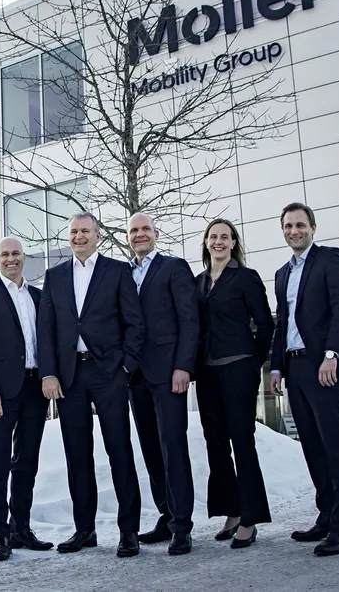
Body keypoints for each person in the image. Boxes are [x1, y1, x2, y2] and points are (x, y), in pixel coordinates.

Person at [38, 212, 145, 557]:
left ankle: (128, 530)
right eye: (74, 232)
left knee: (119, 450)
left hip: (109, 373)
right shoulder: (54, 276)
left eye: (85, 231)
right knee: (77, 455)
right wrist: (48, 373)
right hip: (69, 377)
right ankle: (85, 529)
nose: (79, 237)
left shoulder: (117, 271)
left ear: (97, 235)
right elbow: (46, 329)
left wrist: (125, 367)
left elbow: (134, 323)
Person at [268, 202, 339, 557]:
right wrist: (277, 367)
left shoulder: (331, 259)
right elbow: (282, 323)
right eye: (288, 226)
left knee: (333, 447)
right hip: (295, 369)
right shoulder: (282, 273)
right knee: (312, 448)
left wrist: (332, 355)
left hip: (325, 366)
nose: (294, 231)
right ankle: (326, 517)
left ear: (313, 227)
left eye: (300, 225)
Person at [0, 237, 54, 561]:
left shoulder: (38, 296)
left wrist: (50, 377)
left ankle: (21, 528)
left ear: (24, 257)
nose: (11, 259)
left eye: (16, 253)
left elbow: (47, 341)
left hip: (35, 389)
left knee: (27, 462)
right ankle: (0, 534)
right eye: (4, 254)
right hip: (1, 394)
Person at [194, 218, 275, 549]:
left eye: (224, 237)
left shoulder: (245, 277)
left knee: (242, 442)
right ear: (206, 242)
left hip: (238, 368)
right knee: (215, 444)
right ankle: (232, 511)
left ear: (233, 243)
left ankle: (251, 518)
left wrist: (254, 362)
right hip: (207, 373)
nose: (218, 241)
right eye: (213, 236)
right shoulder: (198, 282)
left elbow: (265, 323)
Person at [124, 213, 199, 556]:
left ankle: (182, 525)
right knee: (151, 450)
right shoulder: (124, 273)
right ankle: (166, 515)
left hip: (169, 374)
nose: (139, 235)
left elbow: (189, 320)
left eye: (145, 229)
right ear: (128, 237)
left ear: (156, 233)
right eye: (133, 230)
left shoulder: (174, 267)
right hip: (135, 376)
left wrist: (184, 366)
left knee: (173, 447)